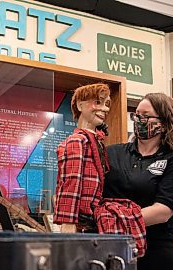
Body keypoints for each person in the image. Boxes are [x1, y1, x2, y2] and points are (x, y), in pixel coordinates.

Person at [53, 84, 147, 257]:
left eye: (107, 104)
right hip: (81, 222)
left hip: (92, 220)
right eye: (98, 102)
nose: (104, 109)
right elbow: (70, 183)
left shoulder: (95, 142)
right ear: (80, 106)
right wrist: (68, 225)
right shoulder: (77, 142)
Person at [103, 93, 173, 270]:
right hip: (110, 250)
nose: (139, 120)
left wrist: (113, 223)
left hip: (153, 254)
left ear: (164, 123)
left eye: (146, 116)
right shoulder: (112, 153)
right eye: (136, 115)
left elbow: (163, 212)